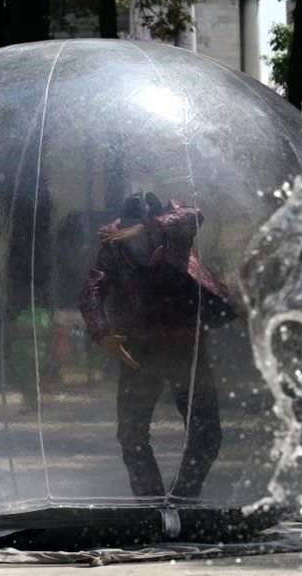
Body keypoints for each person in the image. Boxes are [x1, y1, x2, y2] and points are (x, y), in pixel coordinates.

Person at [80, 192, 233, 498]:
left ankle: (182, 498)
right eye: (131, 230)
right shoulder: (114, 246)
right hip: (140, 346)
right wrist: (103, 333)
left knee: (206, 432)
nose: (136, 243)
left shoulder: (175, 235)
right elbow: (92, 291)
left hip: (184, 342)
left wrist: (146, 227)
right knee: (132, 434)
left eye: (140, 233)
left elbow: (194, 214)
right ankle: (150, 506)